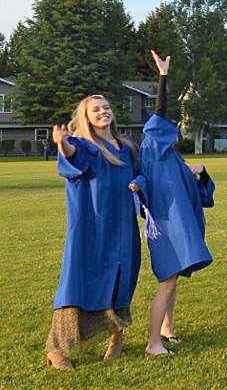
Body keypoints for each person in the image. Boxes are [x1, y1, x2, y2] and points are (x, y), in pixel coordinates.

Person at [46, 95, 141, 370]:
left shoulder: (125, 147)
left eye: (107, 108)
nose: (103, 112)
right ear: (86, 117)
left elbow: (139, 173)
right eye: (96, 110)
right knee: (78, 281)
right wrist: (62, 144)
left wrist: (139, 182)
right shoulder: (84, 145)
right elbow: (72, 158)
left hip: (121, 224)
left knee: (121, 277)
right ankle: (57, 348)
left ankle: (116, 337)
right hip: (91, 225)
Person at [132, 51, 215, 356]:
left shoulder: (172, 159)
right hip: (165, 227)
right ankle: (153, 342)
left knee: (173, 278)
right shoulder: (153, 150)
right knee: (167, 280)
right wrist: (163, 77)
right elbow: (159, 110)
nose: (175, 128)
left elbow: (199, 195)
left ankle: (166, 329)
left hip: (176, 224)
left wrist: (201, 174)